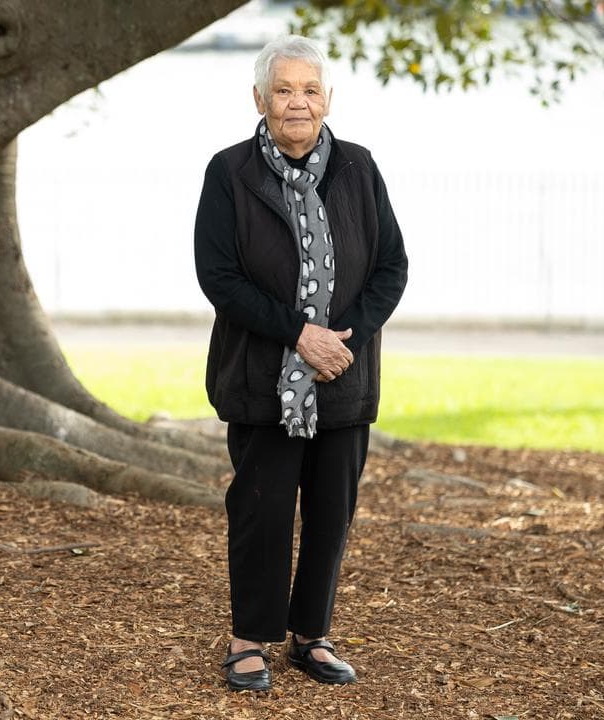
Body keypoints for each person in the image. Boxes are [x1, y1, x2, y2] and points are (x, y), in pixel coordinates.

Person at [193, 34, 408, 691]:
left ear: (328, 99)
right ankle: (249, 639)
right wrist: (298, 334)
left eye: (310, 90)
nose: (297, 103)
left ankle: (311, 635)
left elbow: (391, 267)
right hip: (261, 378)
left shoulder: (359, 167)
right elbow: (219, 276)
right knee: (260, 509)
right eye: (283, 90)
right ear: (259, 98)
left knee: (331, 511)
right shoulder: (230, 172)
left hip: (343, 377)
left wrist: (343, 341)